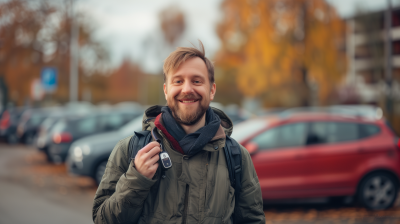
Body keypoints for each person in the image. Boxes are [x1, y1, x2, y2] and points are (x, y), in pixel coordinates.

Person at [92, 41, 265, 224]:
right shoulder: (129, 150)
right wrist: (137, 179)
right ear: (166, 90)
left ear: (211, 90)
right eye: (178, 81)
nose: (187, 89)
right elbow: (102, 220)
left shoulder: (236, 157)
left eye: (197, 81)